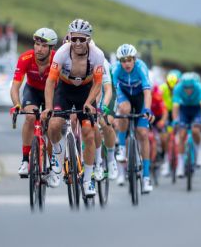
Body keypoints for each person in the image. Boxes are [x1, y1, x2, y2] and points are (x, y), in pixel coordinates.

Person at [42, 19, 104, 196]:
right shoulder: (62, 52)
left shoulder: (97, 55)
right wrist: (48, 107)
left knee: (88, 133)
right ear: (69, 37)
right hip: (65, 90)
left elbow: (98, 84)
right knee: (53, 125)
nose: (77, 43)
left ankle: (88, 180)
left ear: (88, 40)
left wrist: (88, 103)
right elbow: (51, 81)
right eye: (74, 38)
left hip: (86, 91)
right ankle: (56, 151)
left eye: (82, 39)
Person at [10, 27, 59, 186]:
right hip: (33, 91)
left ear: (51, 48)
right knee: (30, 117)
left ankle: (52, 165)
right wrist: (17, 104)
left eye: (44, 46)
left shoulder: (57, 59)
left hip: (52, 92)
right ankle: (25, 160)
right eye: (37, 44)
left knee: (52, 124)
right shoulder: (25, 58)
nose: (39, 48)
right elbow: (15, 87)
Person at [113, 44, 154, 193]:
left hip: (141, 99)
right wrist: (111, 112)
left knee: (142, 133)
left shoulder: (141, 68)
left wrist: (148, 110)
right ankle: (122, 147)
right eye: (123, 60)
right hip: (125, 97)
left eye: (129, 60)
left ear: (134, 59)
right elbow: (113, 93)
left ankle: (146, 177)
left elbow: (147, 92)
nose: (126, 64)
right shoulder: (116, 70)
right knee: (124, 109)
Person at [172, 72, 201, 177]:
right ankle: (180, 164)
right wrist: (175, 120)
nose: (188, 90)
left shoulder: (200, 88)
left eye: (191, 88)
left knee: (196, 130)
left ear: (194, 85)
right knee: (182, 134)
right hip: (184, 110)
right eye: (186, 88)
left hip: (196, 110)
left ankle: (199, 151)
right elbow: (175, 107)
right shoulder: (178, 88)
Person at [93, 58, 119, 181]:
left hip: (107, 90)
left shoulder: (99, 60)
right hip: (91, 90)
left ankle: (110, 158)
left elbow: (106, 89)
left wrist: (100, 108)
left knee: (105, 122)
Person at [159, 69, 181, 176]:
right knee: (166, 137)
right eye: (170, 88)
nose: (172, 90)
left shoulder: (180, 89)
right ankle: (166, 160)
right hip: (166, 112)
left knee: (181, 136)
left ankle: (183, 159)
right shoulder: (162, 88)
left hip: (177, 112)